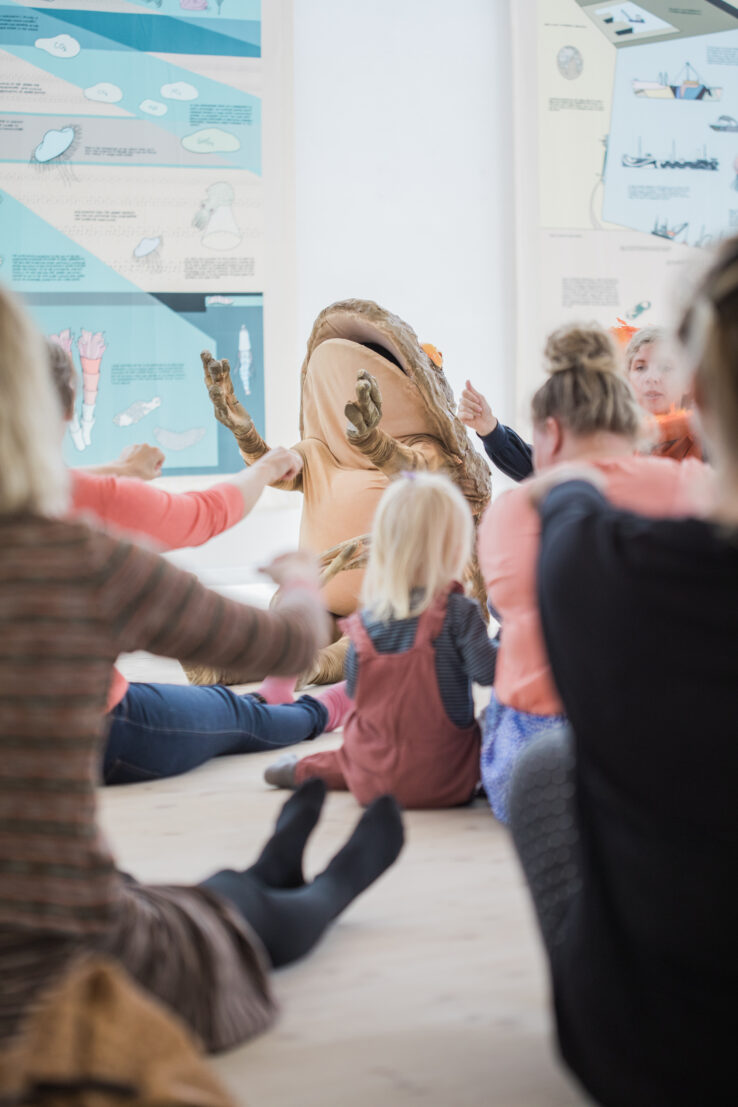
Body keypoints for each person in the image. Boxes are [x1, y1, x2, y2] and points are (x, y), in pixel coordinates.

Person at [0, 284, 404, 1053]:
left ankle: (270, 859)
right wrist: (301, 581)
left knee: (175, 882)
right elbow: (280, 644)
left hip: (67, 880)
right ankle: (332, 881)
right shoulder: (78, 556)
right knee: (209, 930)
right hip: (53, 984)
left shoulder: (84, 528)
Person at [507, 243, 738, 1107]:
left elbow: (565, 504)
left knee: (544, 767)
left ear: (698, 399)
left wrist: (567, 487)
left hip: (667, 1059)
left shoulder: (600, 568)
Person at [47, 340, 350, 785]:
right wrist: (302, 579)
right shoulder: (88, 527)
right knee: (237, 712)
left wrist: (119, 470)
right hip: (98, 731)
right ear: (68, 408)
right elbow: (203, 515)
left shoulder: (68, 497)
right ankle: (324, 710)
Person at [476, 324, 712, 822]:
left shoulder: (507, 515)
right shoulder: (690, 487)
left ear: (553, 432)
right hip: (654, 742)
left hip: (534, 761)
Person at [264, 472, 497, 808]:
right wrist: (514, 642)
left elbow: (357, 694)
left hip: (370, 778)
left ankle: (305, 770)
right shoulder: (459, 613)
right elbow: (488, 673)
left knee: (354, 750)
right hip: (448, 778)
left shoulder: (365, 621)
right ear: (458, 548)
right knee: (493, 723)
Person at [459, 324, 702, 478]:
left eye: (666, 367)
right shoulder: (606, 437)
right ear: (627, 377)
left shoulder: (710, 440)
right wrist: (490, 429)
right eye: (641, 367)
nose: (653, 378)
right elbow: (544, 470)